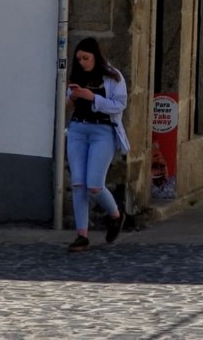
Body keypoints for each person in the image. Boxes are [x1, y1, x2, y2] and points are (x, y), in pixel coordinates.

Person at [65, 37, 128, 251]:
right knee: (78, 184)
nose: (82, 62)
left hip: (103, 131)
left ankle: (115, 215)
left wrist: (93, 97)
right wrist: (73, 97)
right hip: (77, 130)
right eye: (79, 58)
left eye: (86, 58)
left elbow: (119, 105)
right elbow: (67, 106)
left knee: (94, 184)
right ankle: (81, 234)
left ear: (95, 56)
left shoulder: (112, 76)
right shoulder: (77, 76)